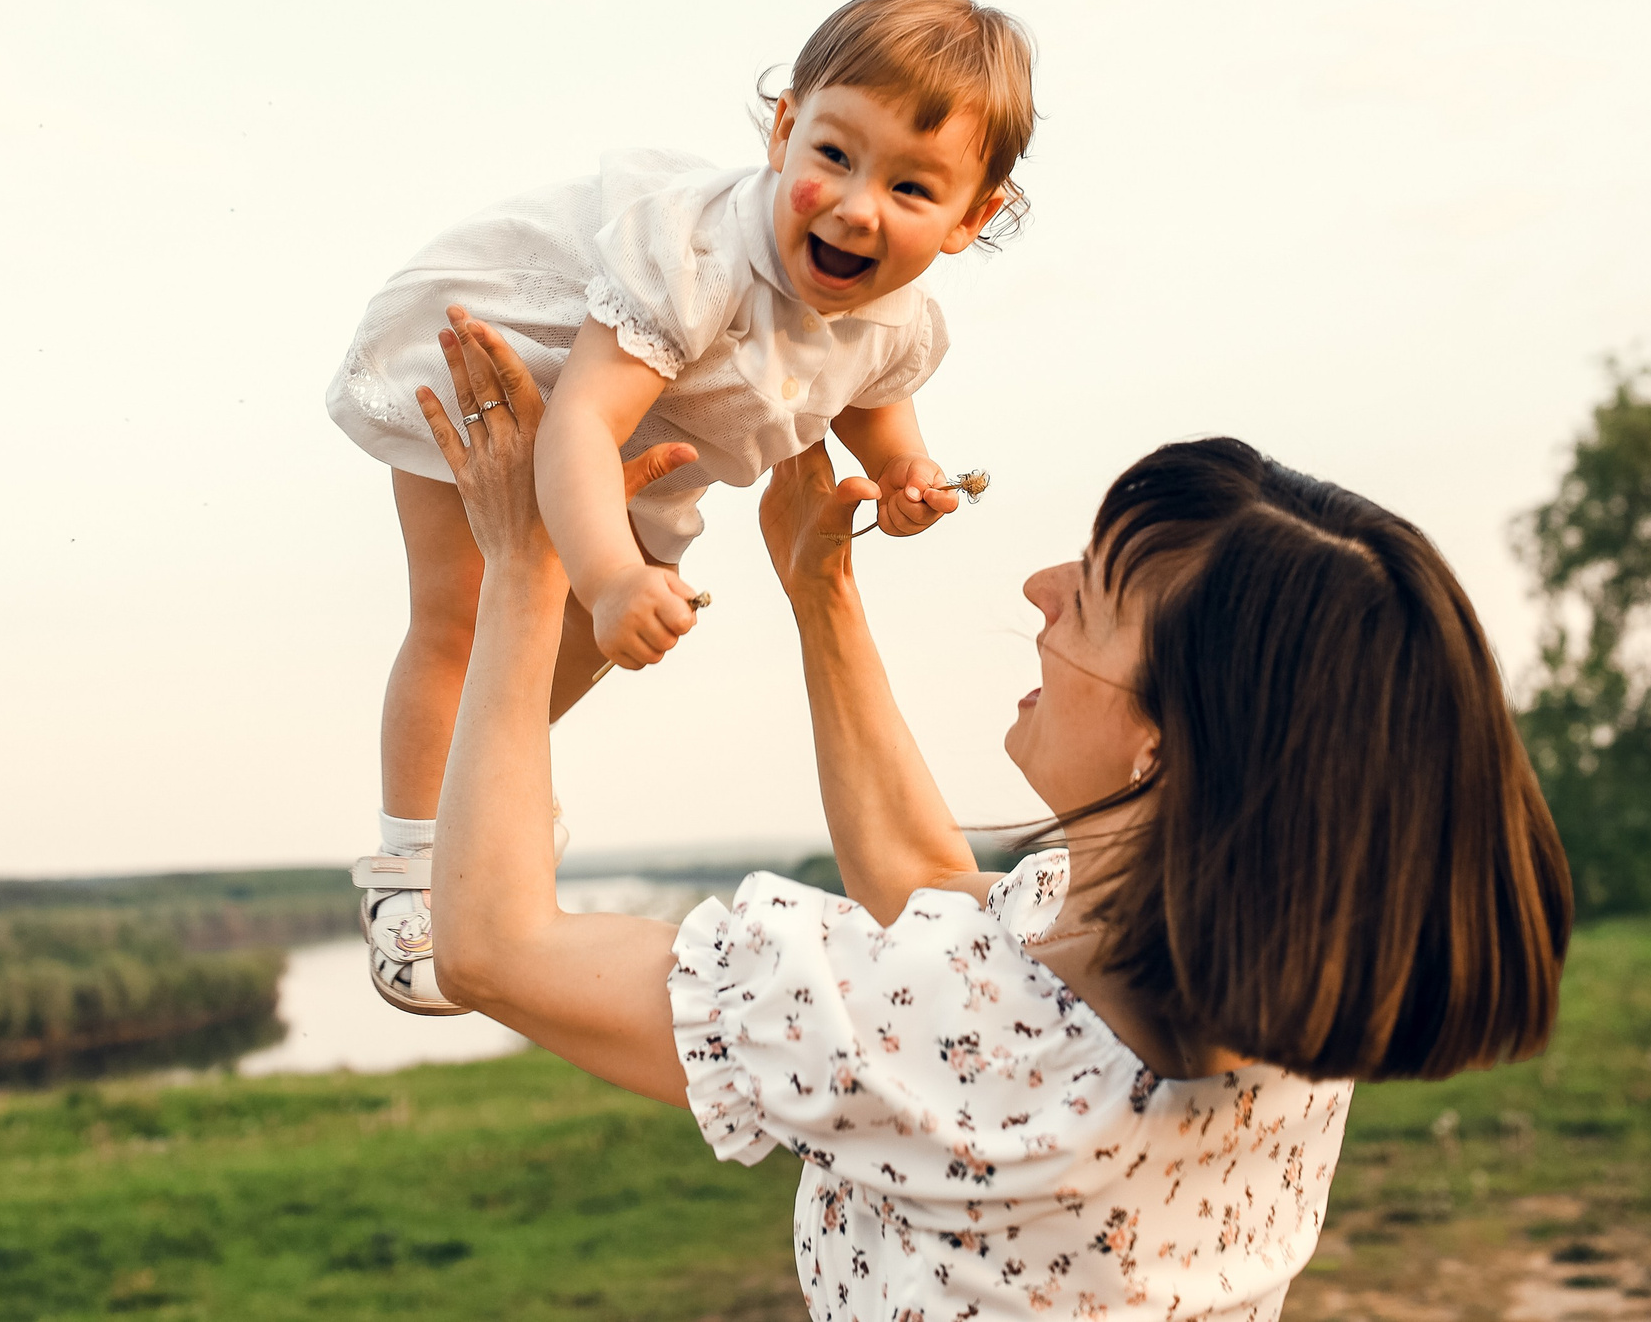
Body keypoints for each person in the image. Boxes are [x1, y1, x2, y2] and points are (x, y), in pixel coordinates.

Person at [414, 317, 1573, 1322]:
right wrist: (823, 597)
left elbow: (495, 949)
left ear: (1169, 744)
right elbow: (932, 896)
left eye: (1094, 593)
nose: (1040, 590)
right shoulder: (1275, 976)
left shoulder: (976, 1038)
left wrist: (528, 565)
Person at [327, 0, 1038, 1012]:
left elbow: (875, 396)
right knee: (464, 621)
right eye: (834, 156)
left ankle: (482, 793)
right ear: (784, 131)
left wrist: (904, 473)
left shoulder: (896, 314)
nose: (856, 205)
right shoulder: (698, 258)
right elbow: (579, 421)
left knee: (584, 641)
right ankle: (411, 863)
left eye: (911, 188)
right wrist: (611, 573)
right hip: (518, 363)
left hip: (650, 428)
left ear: (972, 216)